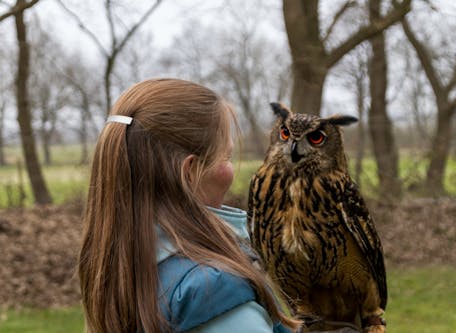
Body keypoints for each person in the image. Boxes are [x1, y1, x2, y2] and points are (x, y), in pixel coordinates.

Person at [78, 78, 301, 333]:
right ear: (191, 172)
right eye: (226, 156)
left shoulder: (121, 266)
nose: (231, 169)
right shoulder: (214, 296)